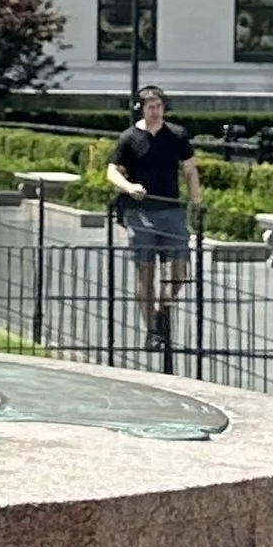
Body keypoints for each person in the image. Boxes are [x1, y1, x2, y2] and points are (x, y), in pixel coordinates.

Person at [106, 84, 203, 365]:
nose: (155, 110)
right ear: (140, 109)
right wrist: (128, 187)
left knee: (180, 269)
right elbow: (112, 171)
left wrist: (196, 201)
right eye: (150, 106)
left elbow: (190, 169)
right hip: (140, 211)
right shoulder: (129, 138)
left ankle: (163, 309)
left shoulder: (176, 135)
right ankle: (151, 330)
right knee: (145, 271)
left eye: (159, 106)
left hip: (171, 209)